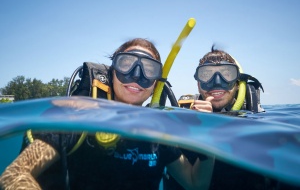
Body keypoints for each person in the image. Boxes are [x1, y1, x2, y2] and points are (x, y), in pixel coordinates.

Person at [0, 38, 214, 190]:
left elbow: (195, 183)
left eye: (148, 69)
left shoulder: (158, 133)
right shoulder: (76, 117)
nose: (136, 76)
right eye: (126, 64)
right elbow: (14, 174)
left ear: (156, 83)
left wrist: (208, 142)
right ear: (112, 72)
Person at [164, 46, 300, 190]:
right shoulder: (184, 119)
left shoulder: (255, 119)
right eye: (206, 75)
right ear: (198, 85)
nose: (217, 82)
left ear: (237, 83)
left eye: (227, 74)